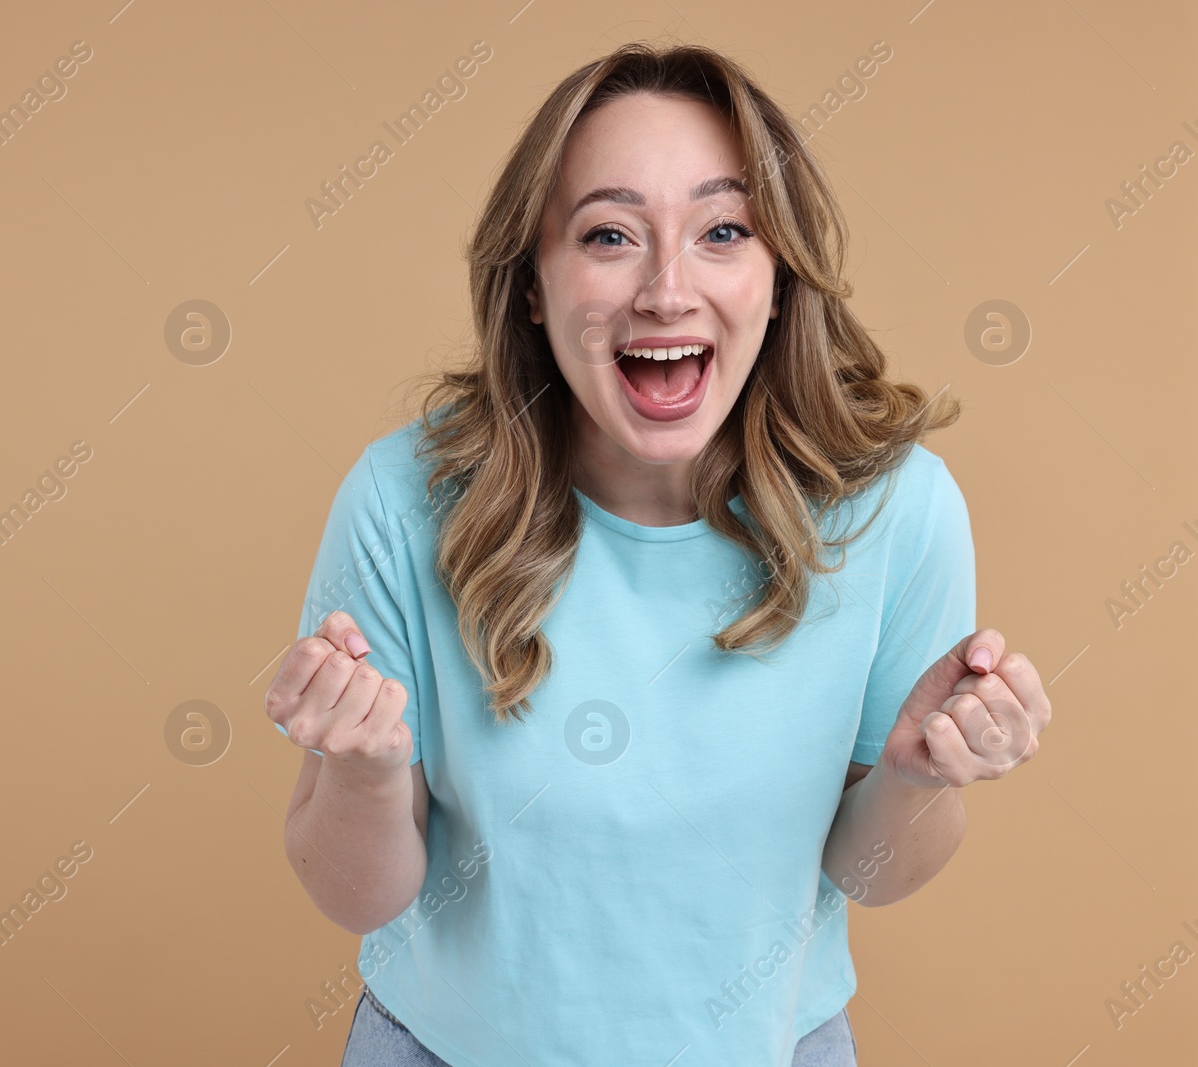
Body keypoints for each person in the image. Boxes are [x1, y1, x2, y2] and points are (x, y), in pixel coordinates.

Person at [267, 40, 1051, 1067]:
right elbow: (355, 892)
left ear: (777, 281)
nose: (666, 290)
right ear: (535, 287)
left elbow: (872, 873)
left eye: (723, 230)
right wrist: (363, 773)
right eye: (608, 236)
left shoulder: (895, 510)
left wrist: (915, 779)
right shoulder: (401, 501)